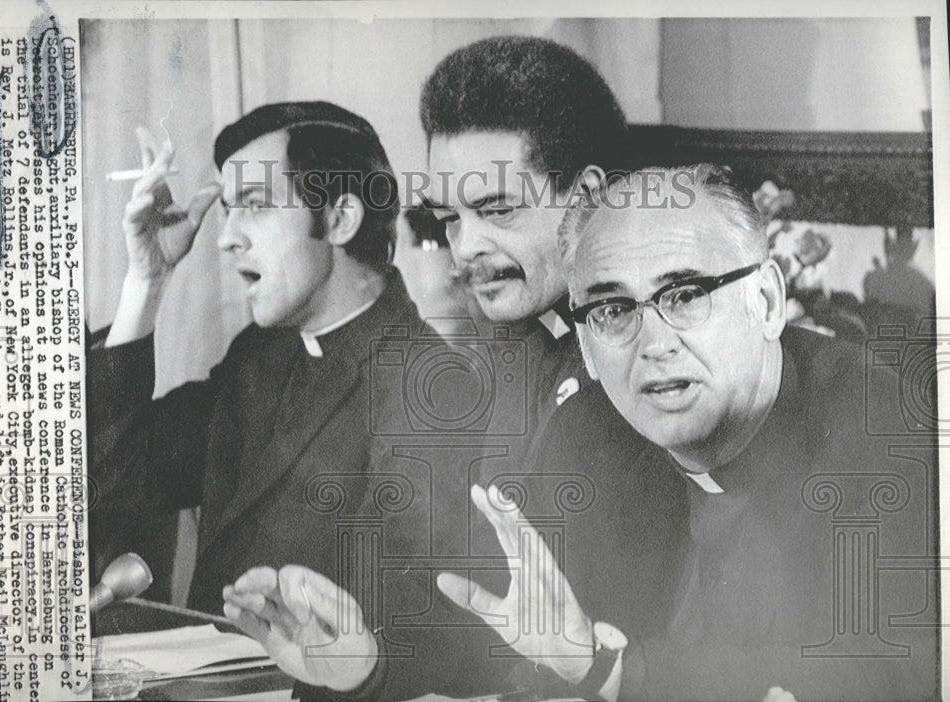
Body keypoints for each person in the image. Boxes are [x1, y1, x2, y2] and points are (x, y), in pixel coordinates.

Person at [224, 37, 688, 702]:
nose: (465, 248)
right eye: (448, 219)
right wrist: (362, 663)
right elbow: (476, 625)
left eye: (496, 209)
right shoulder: (511, 355)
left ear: (586, 196)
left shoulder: (671, 369)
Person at [438, 164, 938, 700]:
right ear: (585, 345)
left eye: (685, 295)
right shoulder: (582, 438)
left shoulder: (885, 429)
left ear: (766, 302)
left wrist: (607, 669)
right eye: (612, 309)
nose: (654, 344)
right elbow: (548, 666)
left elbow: (891, 678)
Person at [88, 100, 418, 633]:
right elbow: (118, 474)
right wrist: (145, 284)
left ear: (339, 218)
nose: (225, 237)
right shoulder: (260, 355)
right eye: (228, 209)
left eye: (256, 205)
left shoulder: (432, 388)